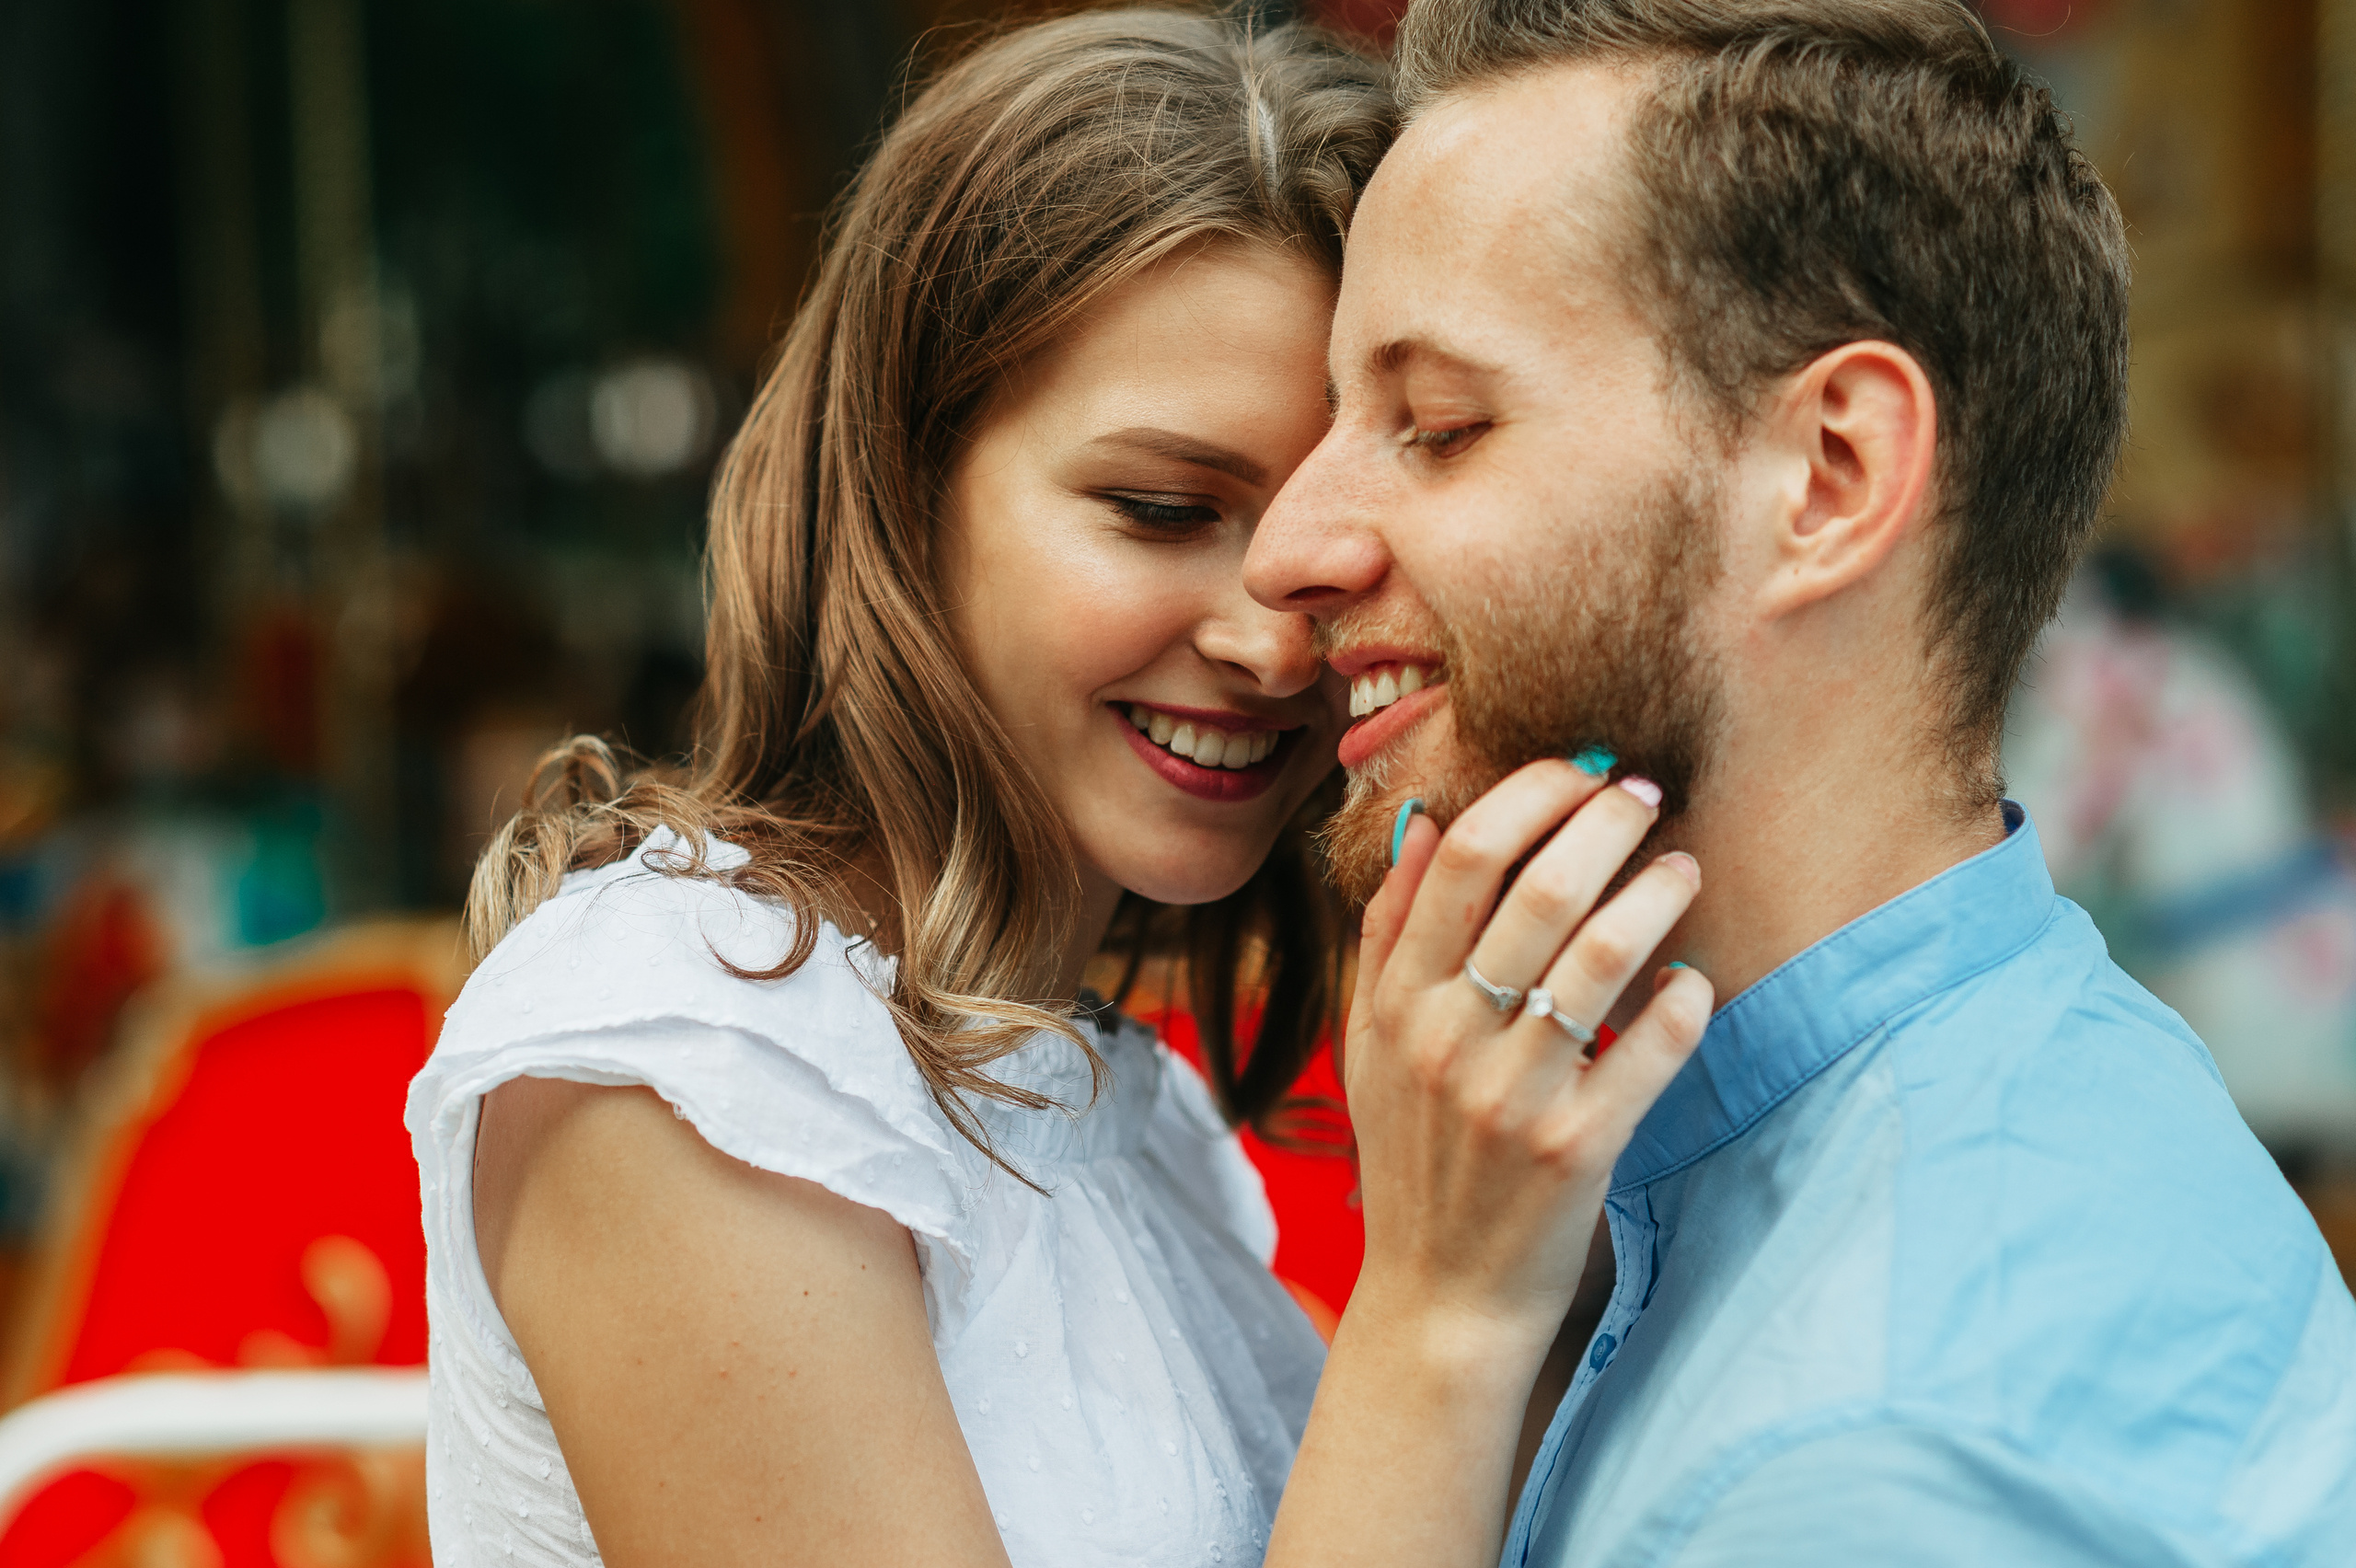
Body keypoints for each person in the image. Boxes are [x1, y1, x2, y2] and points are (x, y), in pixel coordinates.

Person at [409, 10, 1715, 1567]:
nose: (1268, 638)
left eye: (1341, 534)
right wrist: (1439, 1302)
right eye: (1163, 509)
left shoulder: (1127, 1117)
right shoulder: (691, 1055)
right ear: (904, 488)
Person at [1245, 0, 2356, 1563]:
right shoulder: (2031, 1066)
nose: (1285, 554)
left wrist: (1430, 1325)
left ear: (1830, 476)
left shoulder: (1864, 1467)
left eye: (1439, 427)